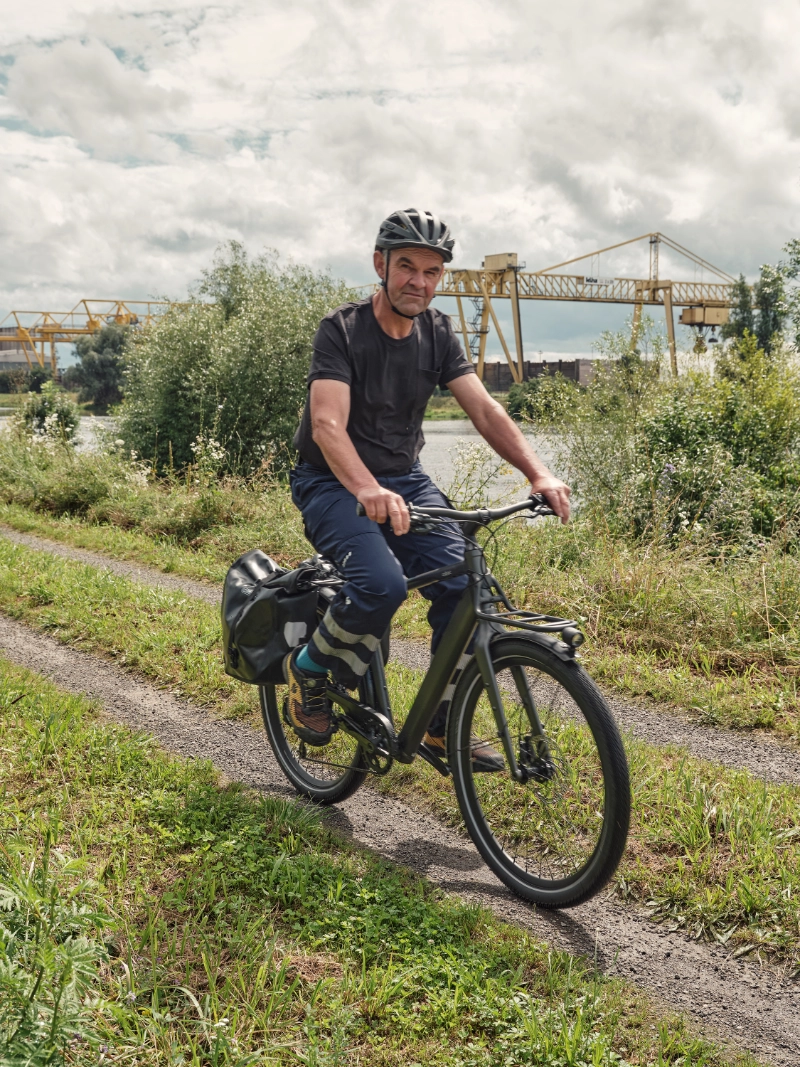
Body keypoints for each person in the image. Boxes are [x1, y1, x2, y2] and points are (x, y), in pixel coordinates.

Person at [287, 208, 571, 771]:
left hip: (404, 480)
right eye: (407, 267)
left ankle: (441, 725)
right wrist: (367, 488)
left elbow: (485, 410)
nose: (420, 281)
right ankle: (309, 674)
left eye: (433, 271)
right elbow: (326, 425)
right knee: (381, 584)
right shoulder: (342, 330)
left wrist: (536, 471)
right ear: (380, 265)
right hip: (330, 480)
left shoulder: (438, 332)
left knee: (469, 589)